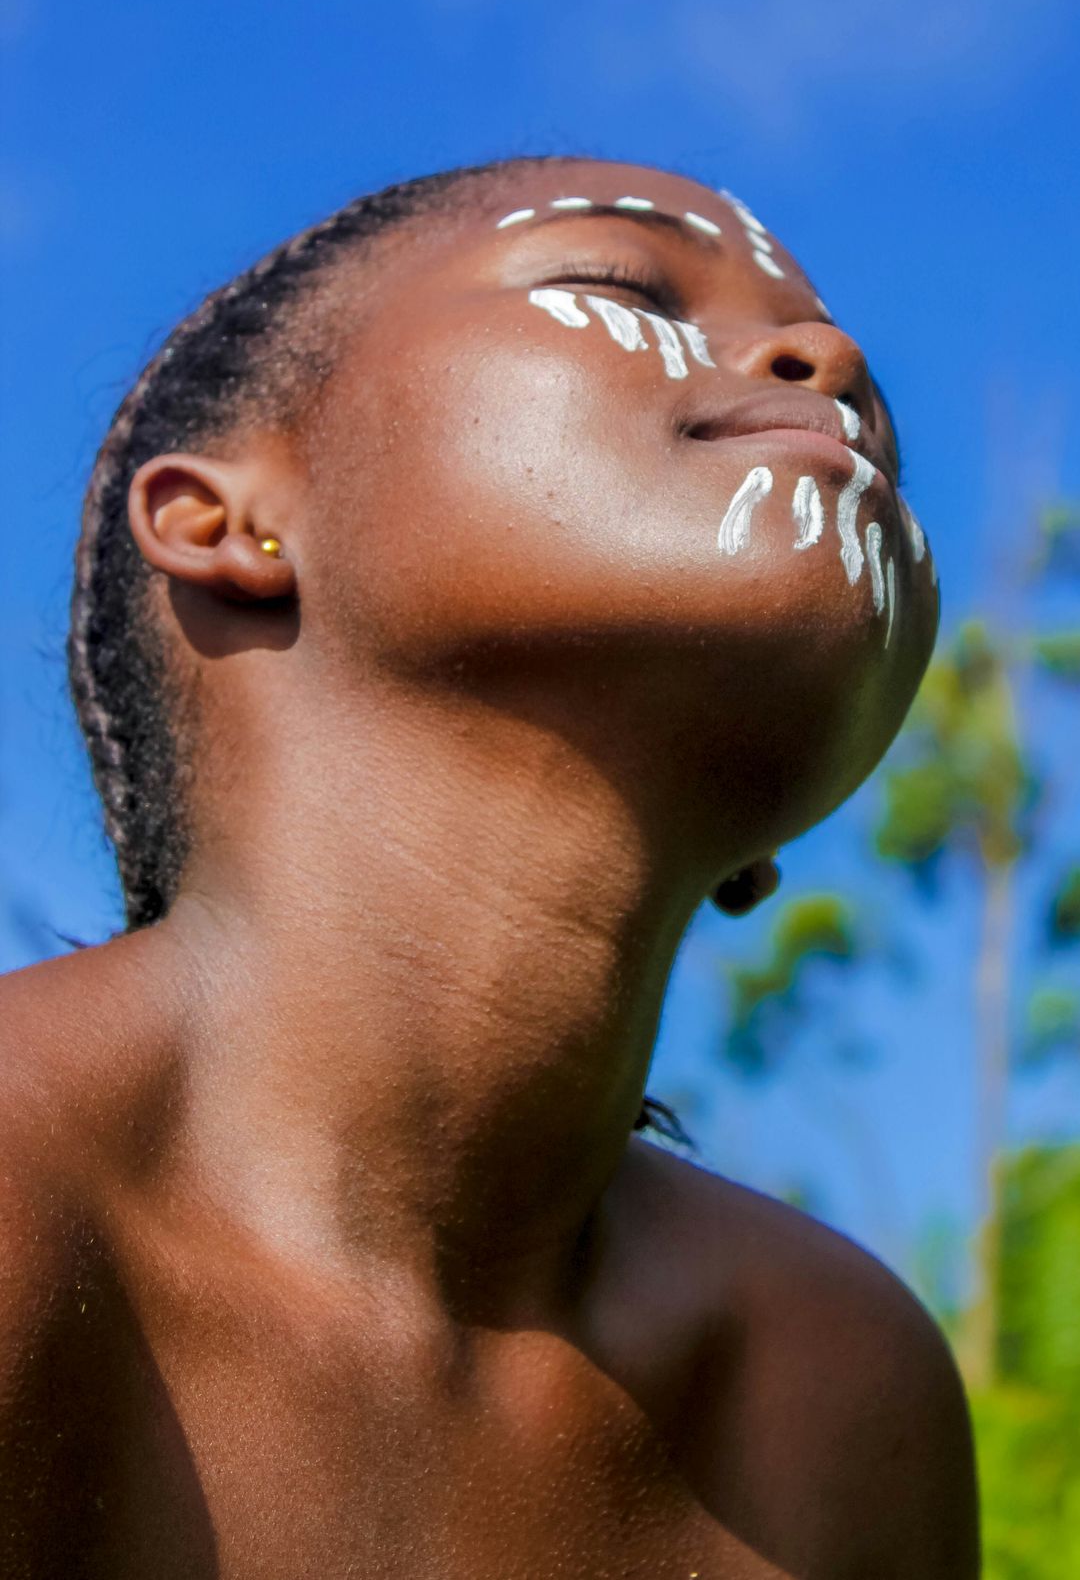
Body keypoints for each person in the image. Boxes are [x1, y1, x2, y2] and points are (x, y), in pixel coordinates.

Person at [0, 157, 978, 1577]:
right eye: (618, 285)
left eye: (857, 386)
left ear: (769, 848)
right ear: (228, 523)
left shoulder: (824, 1377)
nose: (828, 362)